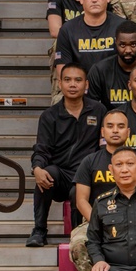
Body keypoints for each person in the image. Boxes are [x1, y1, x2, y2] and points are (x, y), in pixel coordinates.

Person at [27, 63, 106, 246]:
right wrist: (37, 168)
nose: (72, 84)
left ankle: (77, 236)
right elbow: (42, 148)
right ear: (60, 84)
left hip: (86, 175)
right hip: (60, 174)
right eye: (67, 80)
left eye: (78, 80)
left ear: (86, 84)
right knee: (46, 174)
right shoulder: (49, 116)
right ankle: (39, 230)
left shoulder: (99, 111)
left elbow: (104, 147)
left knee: (78, 189)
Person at [53, 0, 124, 84]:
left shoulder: (122, 27)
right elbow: (63, 74)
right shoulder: (67, 30)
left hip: (114, 90)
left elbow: (130, 69)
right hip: (80, 90)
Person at [85, 20, 136, 110]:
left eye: (133, 44)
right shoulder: (100, 71)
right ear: (116, 42)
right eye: (122, 45)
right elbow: (90, 109)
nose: (128, 50)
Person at [73, 110, 132, 224]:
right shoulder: (89, 161)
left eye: (120, 126)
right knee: (78, 242)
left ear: (128, 132)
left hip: (133, 222)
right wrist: (98, 224)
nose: (115, 130)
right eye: (110, 126)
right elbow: (81, 201)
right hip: (96, 220)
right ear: (103, 132)